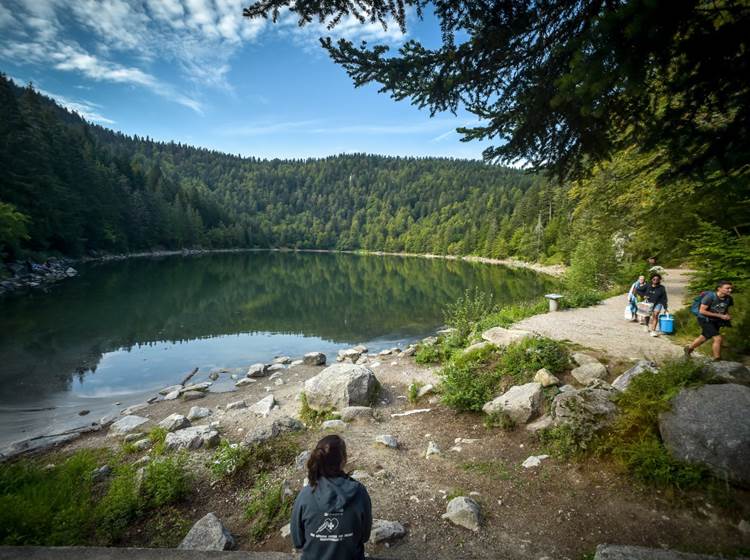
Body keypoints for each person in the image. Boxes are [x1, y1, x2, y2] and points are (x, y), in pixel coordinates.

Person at [291, 435, 372, 560]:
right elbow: (365, 537)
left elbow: (298, 541)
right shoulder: (359, 493)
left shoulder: (305, 495)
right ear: (343, 461)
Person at [685, 280, 734, 360]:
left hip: (716, 320)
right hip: (704, 319)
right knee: (718, 338)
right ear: (719, 288)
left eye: (731, 288)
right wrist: (720, 315)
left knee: (704, 337)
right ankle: (717, 359)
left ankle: (688, 349)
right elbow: (702, 311)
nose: (730, 290)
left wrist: (727, 315)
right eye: (727, 288)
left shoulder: (729, 298)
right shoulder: (710, 297)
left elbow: (725, 308)